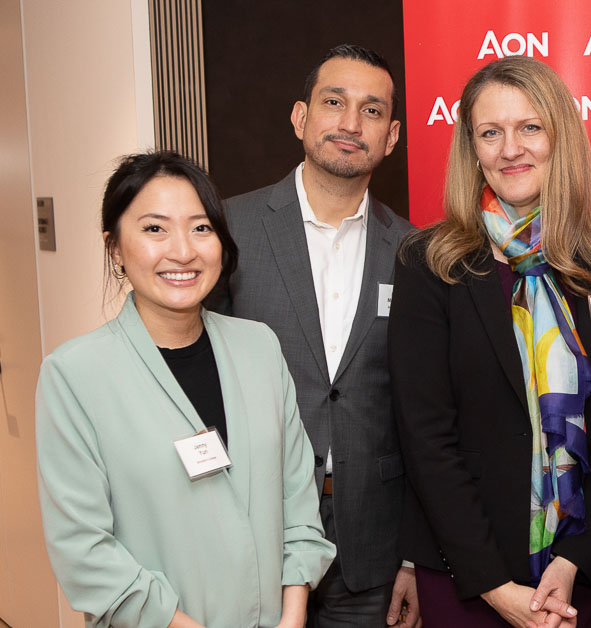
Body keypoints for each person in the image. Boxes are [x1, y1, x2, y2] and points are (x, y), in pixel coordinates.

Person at [389, 55, 591, 628]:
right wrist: (493, 585)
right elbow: (425, 437)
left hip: (580, 576)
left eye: (529, 127)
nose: (511, 149)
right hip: (468, 578)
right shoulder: (430, 264)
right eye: (491, 132)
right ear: (472, 149)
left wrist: (572, 561)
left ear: (560, 137)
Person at [36, 150, 335, 627]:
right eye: (155, 229)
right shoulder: (75, 376)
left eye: (201, 228)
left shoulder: (257, 348)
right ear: (114, 247)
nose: (183, 251)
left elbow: (297, 498)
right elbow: (84, 550)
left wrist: (292, 613)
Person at [205, 44, 418, 627]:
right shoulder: (227, 229)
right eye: (334, 102)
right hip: (255, 532)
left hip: (370, 552)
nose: (351, 124)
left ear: (392, 136)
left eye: (372, 111)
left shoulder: (415, 253)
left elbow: (423, 412)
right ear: (300, 118)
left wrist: (413, 557)